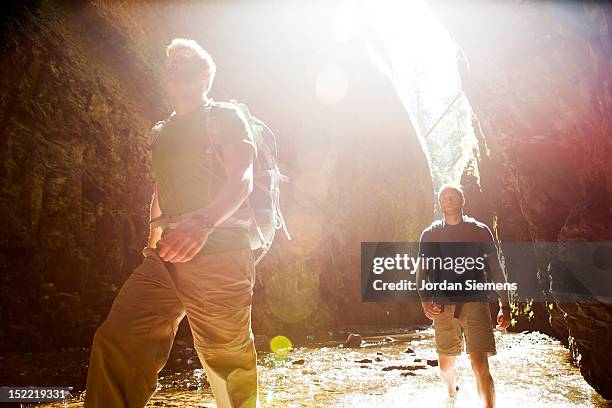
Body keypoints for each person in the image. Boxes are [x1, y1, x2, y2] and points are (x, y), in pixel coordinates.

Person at [84, 38, 259, 408]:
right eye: (171, 66)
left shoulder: (224, 117)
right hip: (164, 258)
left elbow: (242, 179)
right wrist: (153, 243)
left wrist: (203, 223)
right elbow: (160, 191)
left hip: (220, 253)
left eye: (186, 64)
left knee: (226, 361)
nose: (176, 70)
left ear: (205, 76)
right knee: (119, 337)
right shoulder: (160, 133)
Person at [417, 183, 512, 408]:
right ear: (439, 203)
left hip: (475, 302)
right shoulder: (430, 234)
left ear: (462, 201)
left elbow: (495, 269)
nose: (448, 199)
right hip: (442, 304)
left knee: (480, 364)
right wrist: (424, 300)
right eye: (444, 197)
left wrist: (505, 305)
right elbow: (421, 271)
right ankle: (451, 390)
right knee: (445, 366)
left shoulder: (479, 230)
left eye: (453, 196)